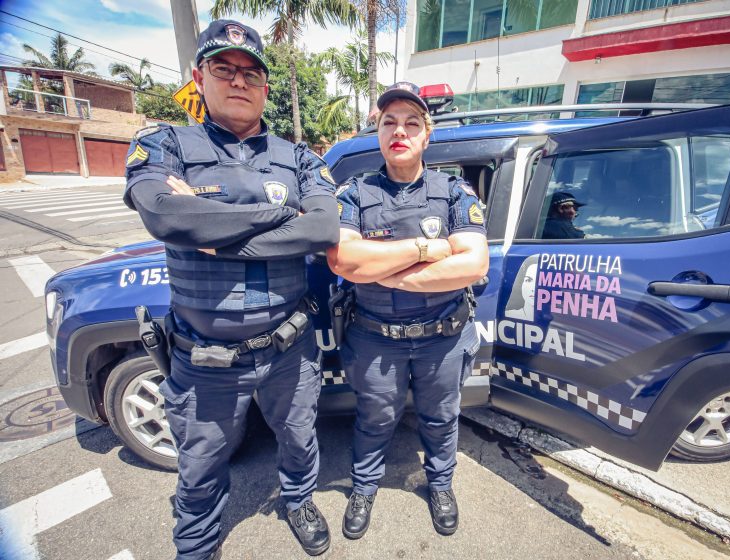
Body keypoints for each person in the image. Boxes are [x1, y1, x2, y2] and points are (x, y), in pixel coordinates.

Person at [122, 20, 339, 559]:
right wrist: (280, 214)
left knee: (299, 440)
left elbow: (322, 229)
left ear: (265, 86)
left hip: (290, 350)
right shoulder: (166, 143)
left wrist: (215, 230)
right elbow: (164, 215)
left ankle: (298, 501)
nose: (238, 81)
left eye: (250, 73)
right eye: (223, 69)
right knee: (198, 468)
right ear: (199, 77)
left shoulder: (300, 158)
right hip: (206, 360)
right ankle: (196, 546)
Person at [327, 82, 489, 540]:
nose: (400, 131)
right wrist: (428, 249)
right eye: (389, 122)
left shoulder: (454, 192)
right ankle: (363, 488)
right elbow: (343, 261)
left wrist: (383, 271)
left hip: (443, 336)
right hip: (376, 337)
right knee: (374, 418)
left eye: (411, 123)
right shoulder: (355, 194)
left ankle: (440, 485)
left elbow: (473, 263)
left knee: (441, 418)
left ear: (426, 134)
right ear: (378, 131)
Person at [505, 255, 538, 321]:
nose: (533, 289)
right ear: (521, 283)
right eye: (528, 280)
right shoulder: (509, 315)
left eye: (539, 282)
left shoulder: (554, 322)